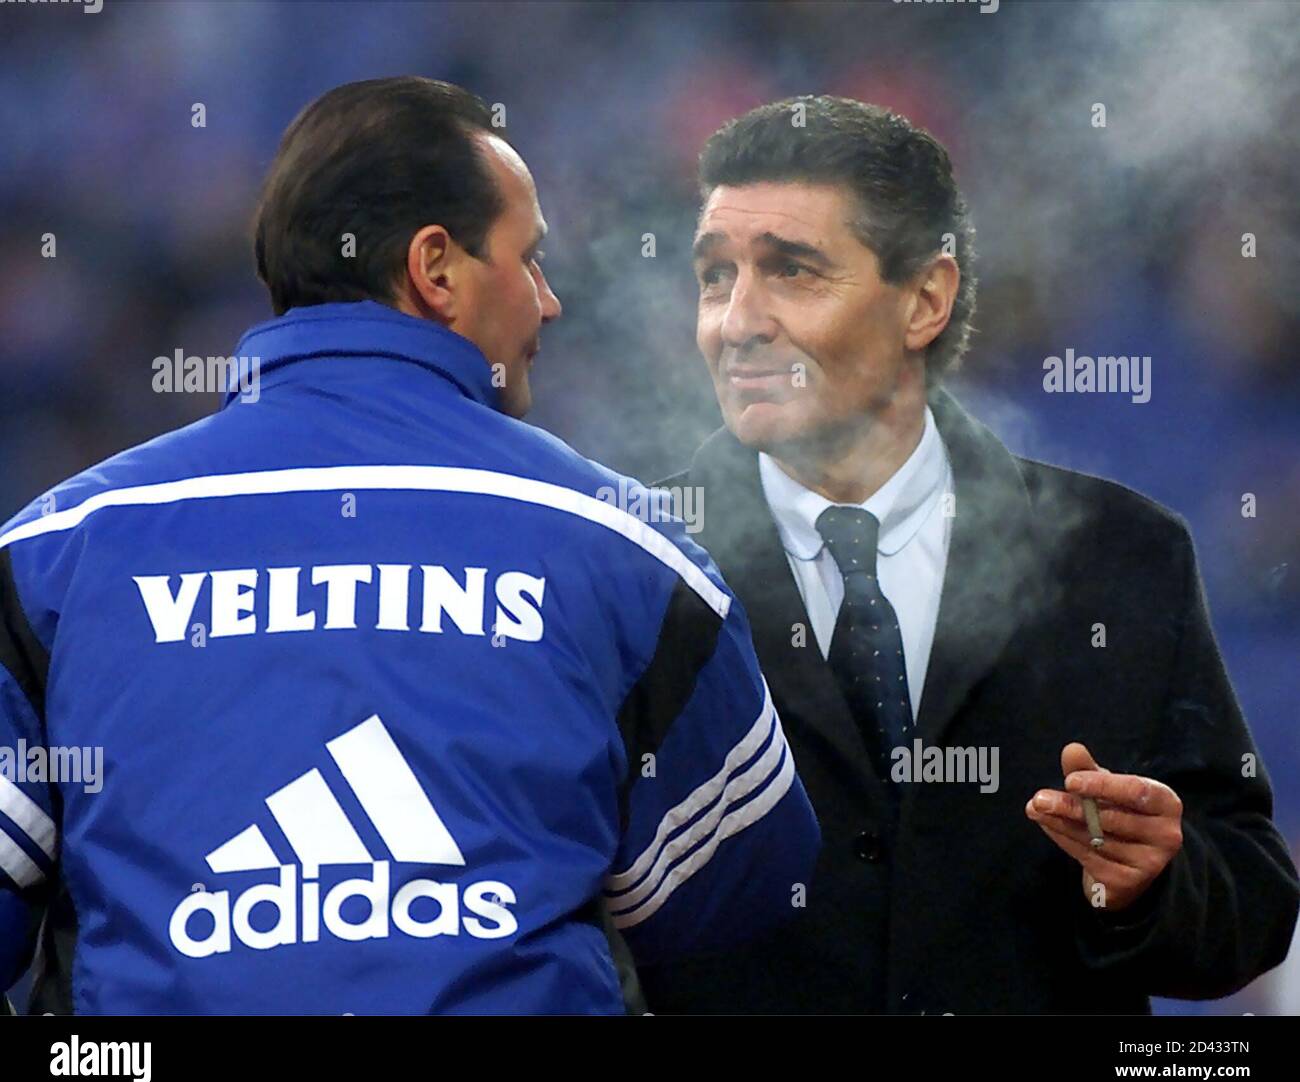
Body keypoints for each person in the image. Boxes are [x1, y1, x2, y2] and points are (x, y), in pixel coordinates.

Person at [0, 77, 818, 1015]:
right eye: (530, 259)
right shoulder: (622, 546)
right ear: (436, 268)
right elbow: (739, 917)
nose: (548, 304)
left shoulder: (51, 553)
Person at [637, 95, 1299, 1014]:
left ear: (925, 300)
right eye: (716, 277)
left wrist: (1154, 881)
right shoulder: (630, 563)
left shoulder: (1122, 554)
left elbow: (1253, 909)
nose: (737, 321)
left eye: (791, 271)